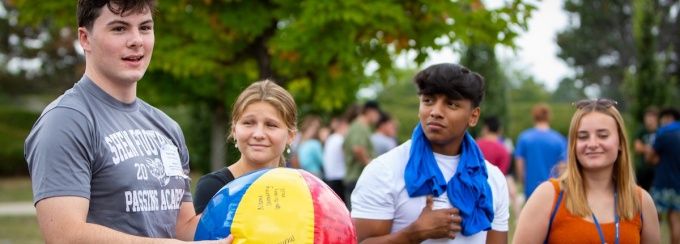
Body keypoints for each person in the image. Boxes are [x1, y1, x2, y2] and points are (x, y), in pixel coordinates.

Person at [24, 0, 229, 242]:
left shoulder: (167, 127)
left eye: (144, 28)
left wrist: (254, 203)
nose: (136, 41)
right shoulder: (66, 121)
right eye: (119, 29)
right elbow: (65, 236)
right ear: (85, 38)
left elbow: (182, 227)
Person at [351, 63, 509, 243]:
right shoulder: (385, 170)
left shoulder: (492, 179)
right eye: (428, 101)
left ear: (473, 117)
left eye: (451, 104)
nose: (435, 112)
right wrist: (413, 234)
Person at [513, 98, 660, 244]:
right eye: (583, 137)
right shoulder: (548, 197)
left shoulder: (641, 202)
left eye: (603, 135)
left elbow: (520, 163)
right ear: (572, 145)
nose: (593, 144)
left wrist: (523, 180)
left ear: (620, 142)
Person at [193, 80, 298, 215]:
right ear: (234, 130)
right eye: (249, 123)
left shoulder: (300, 190)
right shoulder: (214, 188)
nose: (258, 134)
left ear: (291, 135)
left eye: (271, 125)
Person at [514, 103, 567, 199]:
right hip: (553, 188)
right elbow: (562, 167)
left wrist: (523, 182)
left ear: (534, 116)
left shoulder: (524, 137)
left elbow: (519, 164)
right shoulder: (559, 139)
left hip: (531, 188)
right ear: (549, 116)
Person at [476, 116, 521, 221]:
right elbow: (502, 173)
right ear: (499, 130)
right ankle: (518, 218)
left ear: (485, 128)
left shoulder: (476, 145)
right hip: (493, 189)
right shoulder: (503, 150)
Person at [646, 107, 680, 244]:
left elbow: (649, 157)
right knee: (675, 220)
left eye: (663, 118)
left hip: (663, 183)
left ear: (669, 117)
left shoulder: (663, 134)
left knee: (653, 218)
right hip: (678, 185)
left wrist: (654, 157)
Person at [343, 100, 381, 202]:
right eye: (377, 113)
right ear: (370, 112)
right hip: (357, 179)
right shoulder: (360, 127)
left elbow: (343, 149)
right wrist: (370, 167)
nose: (378, 117)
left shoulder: (355, 126)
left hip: (354, 179)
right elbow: (357, 148)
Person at [633, 107, 659, 191]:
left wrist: (645, 148)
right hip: (643, 168)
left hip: (656, 169)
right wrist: (652, 149)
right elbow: (637, 148)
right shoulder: (642, 131)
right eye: (647, 117)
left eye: (652, 116)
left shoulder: (661, 131)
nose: (649, 119)